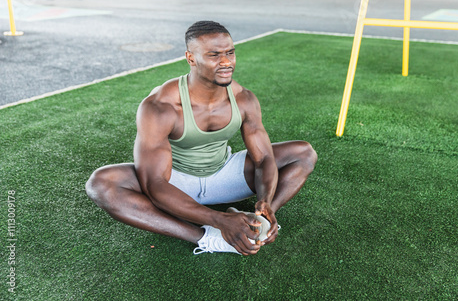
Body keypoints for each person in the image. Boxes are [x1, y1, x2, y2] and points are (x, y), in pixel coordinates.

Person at [85, 21, 317, 256]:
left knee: (304, 153)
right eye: (214, 55)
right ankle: (206, 237)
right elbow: (154, 183)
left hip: (224, 174)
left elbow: (264, 157)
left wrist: (267, 200)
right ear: (191, 58)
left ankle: (261, 221)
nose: (226, 62)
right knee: (102, 183)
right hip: (176, 182)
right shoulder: (161, 106)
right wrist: (219, 220)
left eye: (230, 52)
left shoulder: (244, 98)